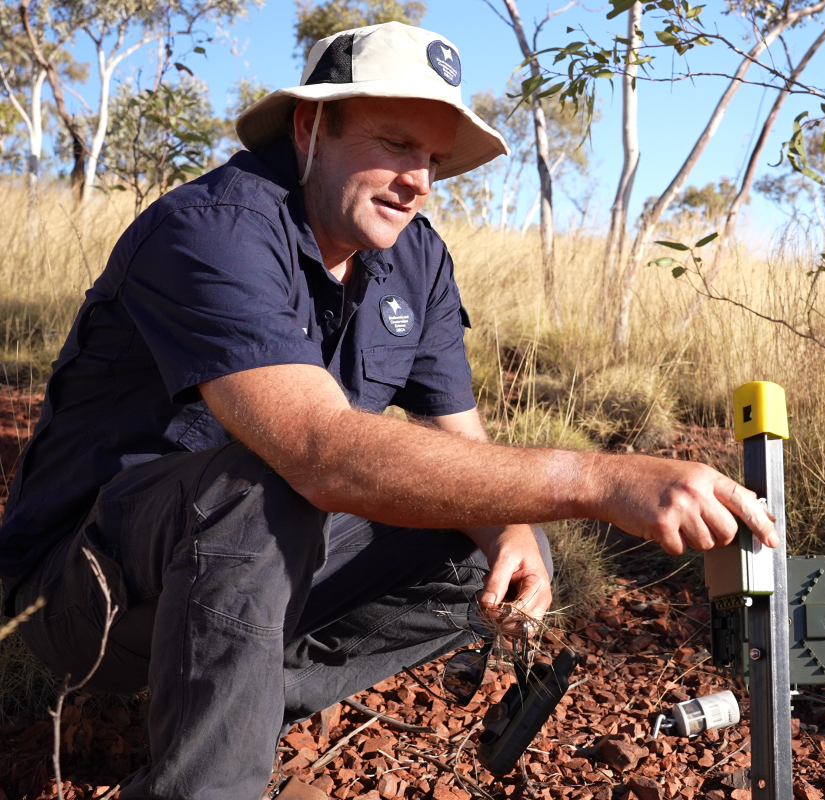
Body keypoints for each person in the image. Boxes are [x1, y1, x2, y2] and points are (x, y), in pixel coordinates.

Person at [0, 22, 778, 800]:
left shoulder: (416, 258)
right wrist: (604, 481)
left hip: (223, 585)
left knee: (497, 533)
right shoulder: (213, 230)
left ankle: (230, 706)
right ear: (311, 127)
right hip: (84, 597)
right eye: (396, 143)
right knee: (264, 482)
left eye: (433, 159)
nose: (419, 181)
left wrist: (513, 534)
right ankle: (207, 781)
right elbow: (319, 450)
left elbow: (463, 449)